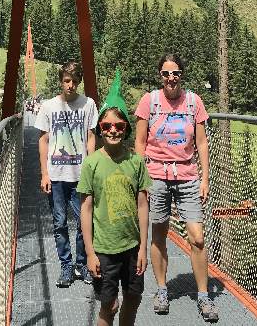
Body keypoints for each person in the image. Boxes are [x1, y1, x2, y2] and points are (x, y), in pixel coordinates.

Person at [134, 52, 219, 322]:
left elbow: (202, 143)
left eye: (176, 73)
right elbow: (139, 142)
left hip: (187, 174)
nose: (171, 78)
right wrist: (140, 177)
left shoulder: (194, 102)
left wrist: (205, 178)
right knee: (158, 234)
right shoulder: (150, 101)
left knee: (198, 237)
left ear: (182, 75)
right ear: (160, 76)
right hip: (156, 174)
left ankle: (203, 296)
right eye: (166, 74)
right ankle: (161, 289)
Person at [79, 71, 151, 326]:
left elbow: (143, 204)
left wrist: (143, 247)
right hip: (104, 250)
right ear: (99, 128)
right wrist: (89, 252)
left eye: (119, 126)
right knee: (108, 306)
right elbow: (86, 209)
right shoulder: (92, 164)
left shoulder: (136, 162)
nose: (113, 131)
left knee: (133, 296)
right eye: (106, 126)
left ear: (127, 129)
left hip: (132, 248)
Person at [36, 60, 99, 287]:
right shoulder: (48, 106)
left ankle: (82, 263)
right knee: (59, 223)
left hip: (80, 174)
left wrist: (90, 167)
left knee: (85, 222)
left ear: (79, 82)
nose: (70, 85)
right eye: (66, 81)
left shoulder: (88, 104)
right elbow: (43, 140)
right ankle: (66, 265)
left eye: (74, 81)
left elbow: (92, 137)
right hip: (56, 174)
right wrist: (44, 173)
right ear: (61, 82)